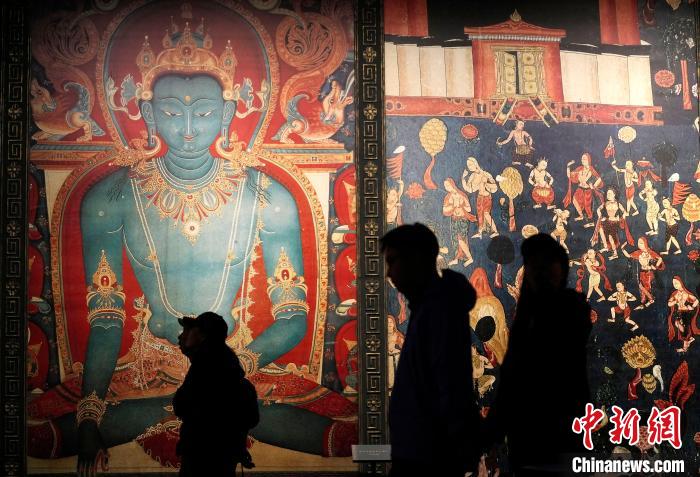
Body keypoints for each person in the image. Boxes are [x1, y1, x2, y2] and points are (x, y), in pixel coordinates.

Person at [487, 234, 592, 476]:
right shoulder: (527, 318)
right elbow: (511, 379)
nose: (540, 273)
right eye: (534, 266)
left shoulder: (571, 307)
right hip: (529, 442)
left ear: (560, 268)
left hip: (561, 438)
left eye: (547, 265)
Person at [381, 223, 480, 476]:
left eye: (392, 261)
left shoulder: (439, 311)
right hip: (421, 451)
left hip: (428, 456)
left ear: (415, 259)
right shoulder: (428, 307)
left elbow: (448, 383)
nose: (389, 272)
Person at [175, 312, 256, 476]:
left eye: (187, 331)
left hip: (202, 460)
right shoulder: (226, 367)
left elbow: (182, 406)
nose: (181, 336)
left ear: (202, 336)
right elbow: (250, 417)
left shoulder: (205, 369)